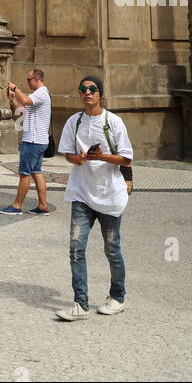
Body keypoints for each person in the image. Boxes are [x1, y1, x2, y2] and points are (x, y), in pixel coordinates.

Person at [56, 75, 133, 320]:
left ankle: (118, 297)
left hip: (109, 195)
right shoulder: (74, 122)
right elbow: (67, 153)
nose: (87, 92)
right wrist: (77, 159)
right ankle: (81, 304)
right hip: (81, 193)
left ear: (100, 94)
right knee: (76, 248)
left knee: (112, 249)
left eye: (92, 89)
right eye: (83, 89)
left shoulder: (114, 122)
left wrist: (103, 157)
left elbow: (127, 158)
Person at [0, 68, 51, 215]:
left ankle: (17, 206)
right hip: (39, 140)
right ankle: (42, 205)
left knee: (24, 173)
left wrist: (16, 88)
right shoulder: (39, 94)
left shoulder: (41, 93)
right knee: (36, 171)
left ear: (37, 79)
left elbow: (26, 101)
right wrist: (13, 100)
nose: (27, 82)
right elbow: (23, 112)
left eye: (29, 79)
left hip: (33, 140)